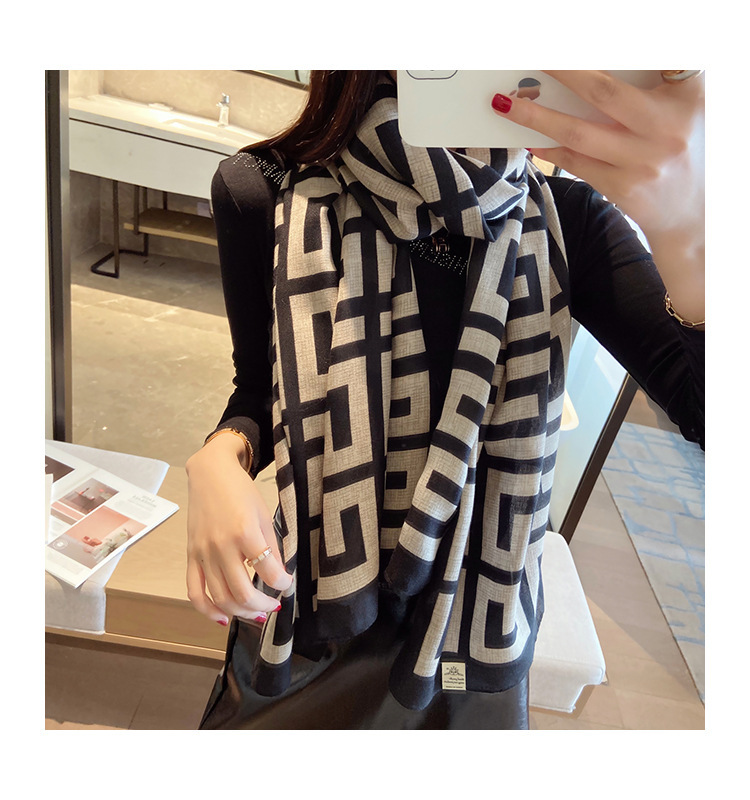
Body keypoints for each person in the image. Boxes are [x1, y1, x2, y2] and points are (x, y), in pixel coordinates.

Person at [185, 70, 705, 730]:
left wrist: (692, 234)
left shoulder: (568, 223)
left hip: (473, 647)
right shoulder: (264, 189)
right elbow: (257, 391)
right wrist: (218, 458)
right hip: (313, 622)